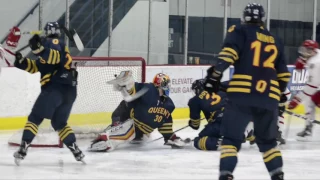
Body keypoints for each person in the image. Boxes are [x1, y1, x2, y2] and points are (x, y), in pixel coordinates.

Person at [203, 3, 290, 180]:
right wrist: (277, 97)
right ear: (262, 19)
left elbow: (229, 54)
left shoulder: (239, 30)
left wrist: (215, 76)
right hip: (268, 97)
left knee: (230, 141)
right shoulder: (275, 39)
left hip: (241, 95)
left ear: (245, 17)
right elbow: (283, 75)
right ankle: (277, 175)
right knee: (268, 143)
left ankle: (226, 175)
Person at [13, 29, 84, 164]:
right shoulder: (49, 57)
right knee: (59, 123)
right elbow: (35, 66)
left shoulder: (55, 43)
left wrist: (38, 48)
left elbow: (54, 56)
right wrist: (21, 61)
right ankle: (76, 150)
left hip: (55, 89)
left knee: (35, 118)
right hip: (70, 92)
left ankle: (23, 149)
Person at [88, 72, 188, 152]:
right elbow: (166, 125)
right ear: (163, 84)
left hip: (134, 126)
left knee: (123, 128)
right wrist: (171, 137)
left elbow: (133, 90)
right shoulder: (160, 96)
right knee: (125, 126)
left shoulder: (163, 100)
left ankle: (109, 134)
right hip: (139, 129)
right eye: (167, 85)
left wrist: (126, 84)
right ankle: (114, 129)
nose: (168, 87)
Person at [288, 40, 320, 141]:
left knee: (314, 99)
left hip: (316, 84)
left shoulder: (315, 63)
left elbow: (312, 86)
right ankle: (308, 128)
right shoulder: (315, 55)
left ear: (313, 51)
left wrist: (297, 99)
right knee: (309, 101)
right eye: (305, 49)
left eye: (308, 50)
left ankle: (308, 128)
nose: (305, 52)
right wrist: (303, 60)